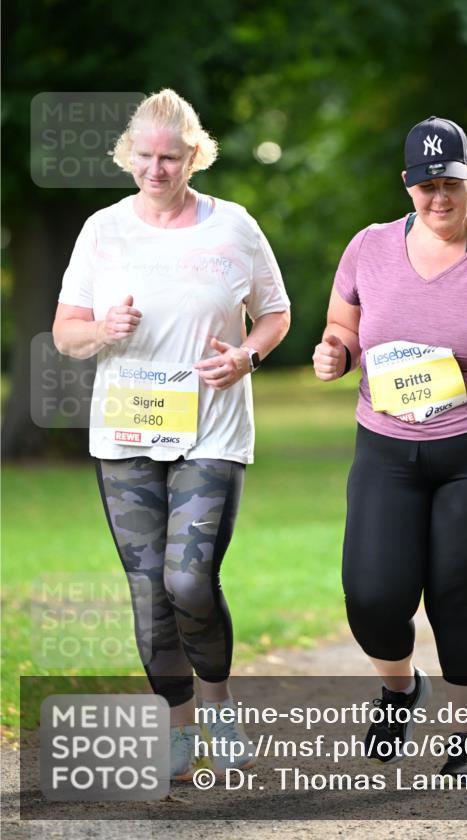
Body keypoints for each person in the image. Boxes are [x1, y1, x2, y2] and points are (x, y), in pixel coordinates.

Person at [52, 89, 290, 782]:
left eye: (171, 157)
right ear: (129, 156)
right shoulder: (103, 230)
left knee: (188, 577)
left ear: (195, 156)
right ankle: (179, 730)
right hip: (126, 432)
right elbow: (67, 333)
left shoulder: (235, 226)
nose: (156, 169)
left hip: (211, 429)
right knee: (149, 592)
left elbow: (274, 313)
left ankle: (217, 708)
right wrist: (103, 330)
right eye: (145, 156)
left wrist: (247, 355)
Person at [312, 116, 467, 781]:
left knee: (455, 598)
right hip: (388, 445)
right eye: (425, 186)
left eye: (450, 182)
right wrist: (336, 351)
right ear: (407, 186)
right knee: (370, 597)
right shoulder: (368, 246)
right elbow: (343, 324)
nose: (438, 198)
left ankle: (466, 738)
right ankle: (399, 688)